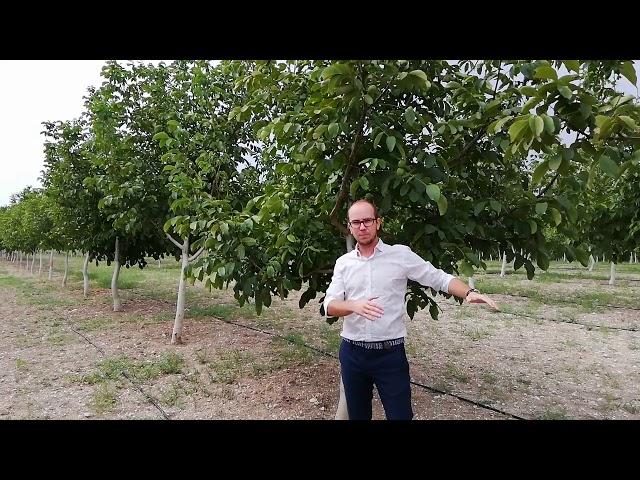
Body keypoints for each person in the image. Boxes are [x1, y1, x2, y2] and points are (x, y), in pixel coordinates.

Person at [323, 199, 500, 420]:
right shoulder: (344, 263)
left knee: (401, 415)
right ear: (349, 227)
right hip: (353, 354)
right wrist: (353, 306)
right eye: (356, 222)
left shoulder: (400, 255)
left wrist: (468, 292)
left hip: (390, 354)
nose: (362, 227)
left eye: (367, 220)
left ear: (378, 222)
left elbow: (437, 277)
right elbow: (329, 306)